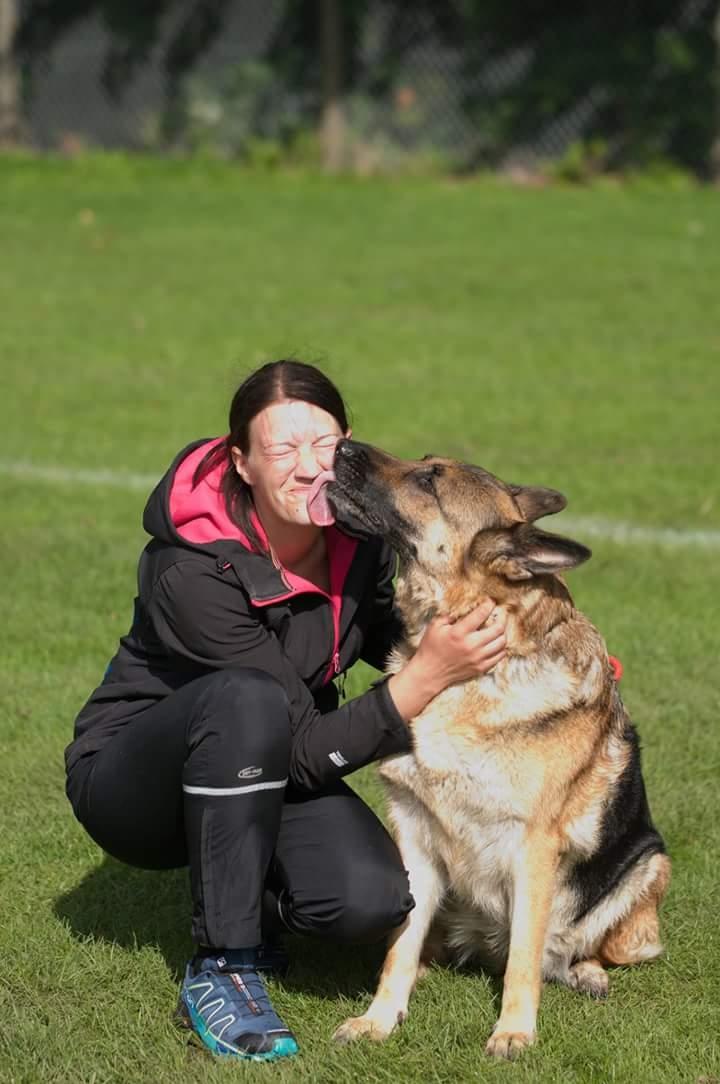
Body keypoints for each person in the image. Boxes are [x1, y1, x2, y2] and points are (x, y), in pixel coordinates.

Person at [65, 359, 507, 1062]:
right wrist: (419, 681)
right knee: (246, 700)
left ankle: (248, 891)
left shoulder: (357, 538)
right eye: (280, 450)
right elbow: (304, 745)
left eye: (323, 445)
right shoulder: (192, 571)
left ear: (349, 443)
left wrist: (533, 653)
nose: (307, 468)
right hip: (134, 785)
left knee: (370, 900)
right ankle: (224, 964)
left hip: (266, 758)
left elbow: (405, 633)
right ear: (240, 461)